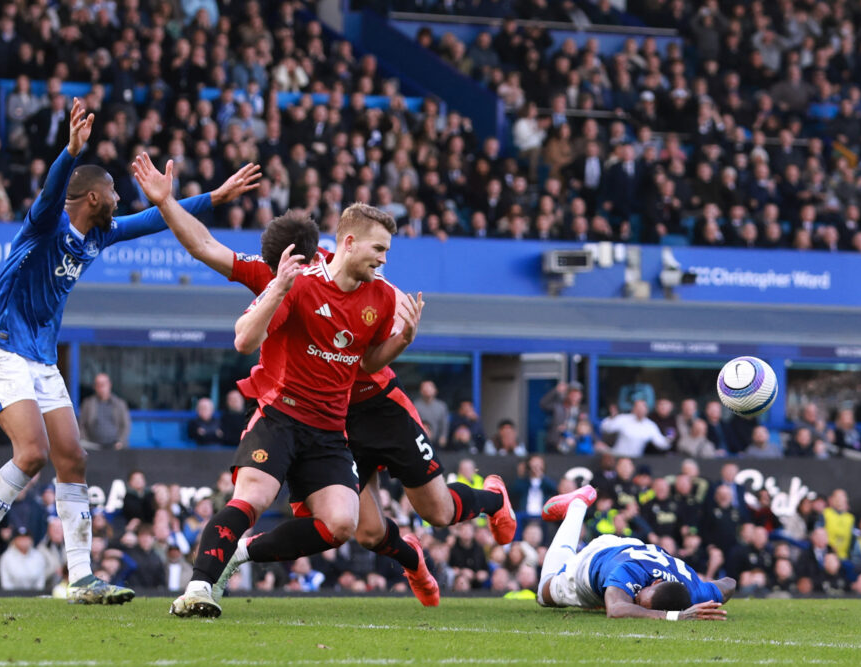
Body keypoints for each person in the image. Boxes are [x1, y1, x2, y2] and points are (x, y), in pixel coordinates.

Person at [132, 156, 515, 610]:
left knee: (437, 512)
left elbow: (368, 362)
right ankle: (209, 579)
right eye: (379, 250)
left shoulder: (383, 295)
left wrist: (404, 340)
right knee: (356, 528)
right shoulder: (292, 276)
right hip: (301, 416)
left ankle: (490, 499)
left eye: (387, 252)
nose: (385, 260)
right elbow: (205, 247)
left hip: (373, 408)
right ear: (349, 242)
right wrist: (165, 203)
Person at [0, 97, 258, 605]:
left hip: (39, 355)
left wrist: (214, 197)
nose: (119, 199)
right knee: (32, 454)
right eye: (112, 191)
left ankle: (82, 577)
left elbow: (153, 221)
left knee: (72, 458)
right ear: (90, 197)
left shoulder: (99, 234)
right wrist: (69, 152)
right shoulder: (46, 224)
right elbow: (50, 194)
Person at [537, 485, 735, 620]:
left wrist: (713, 599)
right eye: (640, 600)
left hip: (632, 547)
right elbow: (615, 610)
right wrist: (676, 617)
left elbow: (728, 584)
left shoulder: (696, 591)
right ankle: (577, 504)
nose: (634, 598)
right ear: (656, 582)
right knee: (543, 594)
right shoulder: (629, 572)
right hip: (596, 560)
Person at [78, 373, 131, 450]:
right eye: (98, 385)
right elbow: (81, 425)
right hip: (92, 445)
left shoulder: (119, 404)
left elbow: (125, 426)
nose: (101, 388)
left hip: (114, 445)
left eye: (103, 384)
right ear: (95, 387)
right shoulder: (88, 404)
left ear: (109, 385)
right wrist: (84, 439)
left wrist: (120, 441)